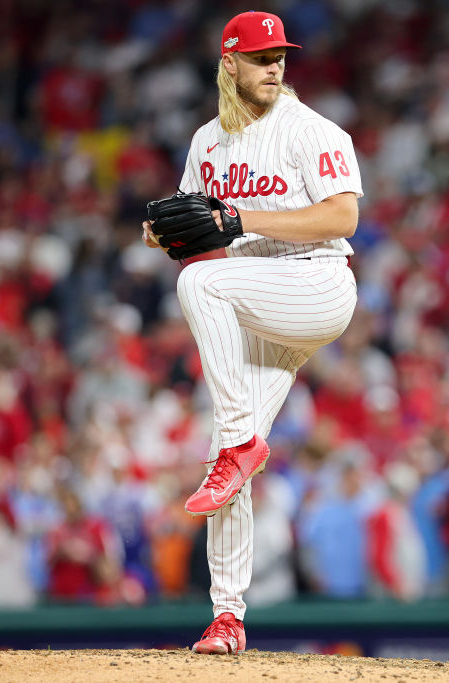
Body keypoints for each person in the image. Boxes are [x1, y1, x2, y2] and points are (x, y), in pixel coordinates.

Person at [141, 10, 361, 654]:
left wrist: (242, 220)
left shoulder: (310, 130)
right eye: (262, 56)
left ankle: (241, 445)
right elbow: (195, 233)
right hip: (254, 299)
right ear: (228, 62)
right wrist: (164, 238)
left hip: (316, 286)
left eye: (281, 56)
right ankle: (227, 618)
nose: (274, 66)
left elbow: (342, 214)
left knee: (199, 287)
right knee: (227, 461)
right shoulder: (207, 142)